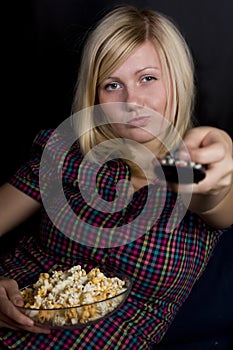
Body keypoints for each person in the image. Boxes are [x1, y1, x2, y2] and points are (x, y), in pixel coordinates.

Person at [0, 5, 232, 350]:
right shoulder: (63, 153)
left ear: (176, 81)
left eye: (148, 78)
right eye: (112, 85)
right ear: (95, 96)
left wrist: (218, 162)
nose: (131, 101)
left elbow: (214, 198)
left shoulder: (195, 170)